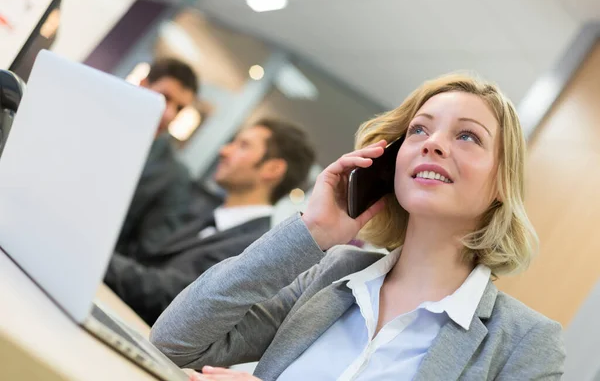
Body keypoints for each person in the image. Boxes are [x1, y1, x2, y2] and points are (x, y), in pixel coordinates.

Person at [150, 74, 566, 381]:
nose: (432, 143)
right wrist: (311, 231)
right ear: (391, 161)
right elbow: (175, 341)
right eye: (419, 129)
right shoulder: (335, 272)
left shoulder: (525, 342)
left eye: (468, 137)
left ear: (501, 183)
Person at [105, 116, 316, 325]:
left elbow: (170, 294)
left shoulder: (252, 249)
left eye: (243, 146)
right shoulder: (206, 213)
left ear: (273, 169)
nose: (224, 151)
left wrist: (99, 256)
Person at [115, 58, 199, 260]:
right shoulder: (94, 120)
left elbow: (145, 253)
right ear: (143, 84)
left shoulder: (173, 175)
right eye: (165, 97)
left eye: (179, 108)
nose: (169, 114)